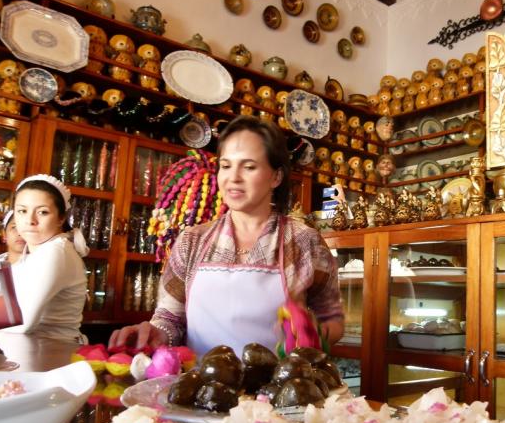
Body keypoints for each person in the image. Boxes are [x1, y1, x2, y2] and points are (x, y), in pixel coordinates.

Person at [110, 116, 344, 356]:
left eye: (249, 166)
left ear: (276, 177)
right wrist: (155, 334)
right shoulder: (191, 241)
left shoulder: (304, 241)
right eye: (225, 165)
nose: (233, 178)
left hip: (280, 389)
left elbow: (332, 319)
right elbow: (170, 319)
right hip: (201, 388)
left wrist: (313, 333)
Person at [0, 175, 89, 342]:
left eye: (42, 212)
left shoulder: (56, 252)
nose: (30, 220)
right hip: (26, 352)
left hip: (51, 358)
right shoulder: (33, 253)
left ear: (61, 218)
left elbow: (22, 323)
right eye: (22, 211)